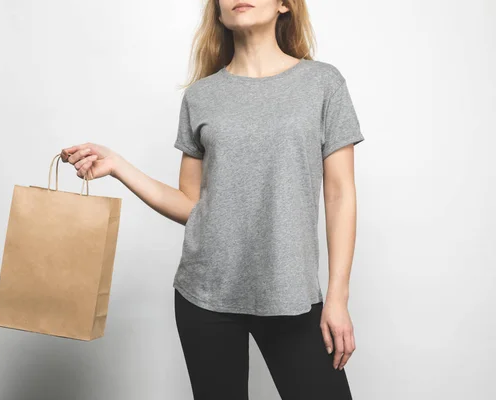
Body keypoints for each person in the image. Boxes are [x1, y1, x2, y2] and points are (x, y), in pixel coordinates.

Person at [61, 0, 364, 398]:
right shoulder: (202, 96)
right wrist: (118, 166)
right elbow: (192, 204)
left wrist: (337, 297)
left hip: (290, 293)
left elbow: (340, 194)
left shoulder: (323, 84)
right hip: (205, 296)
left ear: (285, 5)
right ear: (218, 11)